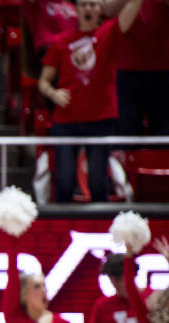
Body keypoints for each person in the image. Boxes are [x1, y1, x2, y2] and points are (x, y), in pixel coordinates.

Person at [38, 0, 145, 202]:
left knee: (98, 180)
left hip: (100, 118)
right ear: (76, 10)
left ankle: (101, 228)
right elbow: (43, 81)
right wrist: (53, 93)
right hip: (66, 120)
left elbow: (131, 10)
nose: (88, 9)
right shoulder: (61, 40)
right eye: (84, 4)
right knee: (64, 179)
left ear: (100, 10)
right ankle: (62, 228)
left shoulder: (109, 32)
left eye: (93, 5)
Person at [115, 0, 169, 138]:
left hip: (164, 67)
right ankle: (126, 159)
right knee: (127, 129)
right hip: (127, 68)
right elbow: (110, 15)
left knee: (163, 130)